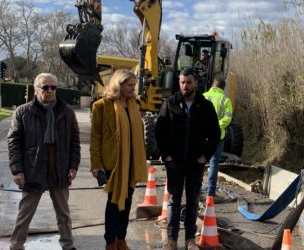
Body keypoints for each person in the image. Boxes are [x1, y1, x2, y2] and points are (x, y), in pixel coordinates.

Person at [8, 73, 80, 250]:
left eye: (53, 87)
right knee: (25, 214)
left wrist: (73, 166)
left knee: (64, 214)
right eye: (45, 87)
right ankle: (16, 246)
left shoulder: (67, 112)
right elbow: (14, 142)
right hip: (33, 170)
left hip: (60, 170)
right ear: (36, 90)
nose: (50, 91)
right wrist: (17, 170)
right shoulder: (23, 112)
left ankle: (68, 245)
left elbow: (75, 141)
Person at [156, 68, 220, 250]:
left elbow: (215, 134)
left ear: (196, 83)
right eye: (182, 82)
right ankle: (171, 239)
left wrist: (205, 156)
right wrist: (166, 155)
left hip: (195, 163)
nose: (185, 85)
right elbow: (160, 131)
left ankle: (190, 239)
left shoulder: (205, 106)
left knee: (192, 201)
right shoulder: (170, 104)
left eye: (189, 82)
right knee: (173, 201)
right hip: (174, 162)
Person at [90, 69, 148, 250]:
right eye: (129, 85)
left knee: (128, 201)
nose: (133, 88)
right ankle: (110, 242)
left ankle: (121, 238)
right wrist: (96, 165)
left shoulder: (134, 105)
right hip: (113, 163)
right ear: (119, 85)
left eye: (134, 85)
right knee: (114, 202)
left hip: (131, 162)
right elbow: (95, 137)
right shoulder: (101, 105)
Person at [203, 75, 233, 197]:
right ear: (223, 88)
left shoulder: (203, 97)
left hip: (202, 135)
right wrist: (216, 125)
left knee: (198, 161)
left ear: (213, 84)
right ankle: (211, 192)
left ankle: (194, 188)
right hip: (218, 137)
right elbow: (228, 118)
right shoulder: (226, 100)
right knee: (214, 163)